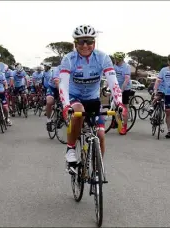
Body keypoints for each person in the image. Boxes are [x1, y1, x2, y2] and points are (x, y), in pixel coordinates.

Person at [58, 25, 126, 171]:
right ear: (75, 43)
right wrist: (65, 106)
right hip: (74, 97)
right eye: (81, 42)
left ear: (94, 42)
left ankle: (97, 170)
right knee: (78, 110)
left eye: (89, 41)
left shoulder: (103, 58)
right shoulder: (69, 59)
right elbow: (63, 85)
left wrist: (119, 103)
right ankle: (70, 149)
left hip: (93, 99)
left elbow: (114, 83)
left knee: (100, 134)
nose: (85, 45)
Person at [113, 52, 131, 135]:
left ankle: (124, 125)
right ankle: (116, 121)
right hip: (117, 88)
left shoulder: (126, 67)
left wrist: (122, 90)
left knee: (124, 107)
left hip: (125, 88)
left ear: (120, 59)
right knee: (115, 106)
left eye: (116, 59)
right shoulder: (114, 66)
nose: (115, 60)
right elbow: (111, 77)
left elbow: (126, 80)